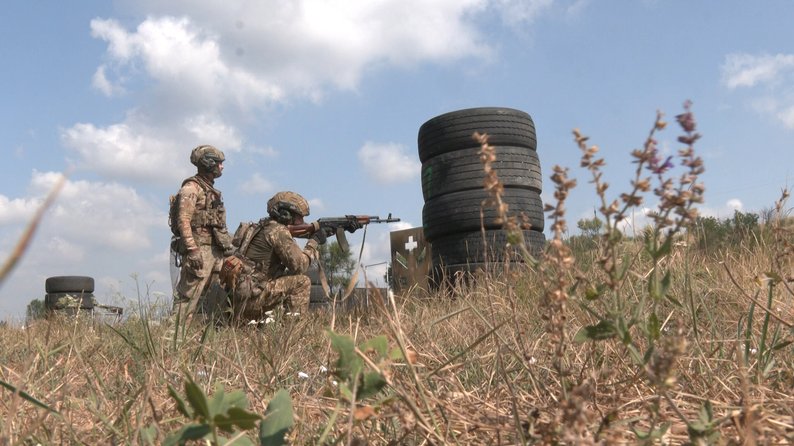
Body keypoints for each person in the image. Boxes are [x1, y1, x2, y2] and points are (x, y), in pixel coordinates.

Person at [220, 191, 330, 322]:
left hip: (237, 301)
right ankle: (294, 330)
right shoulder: (278, 232)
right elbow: (299, 266)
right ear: (286, 214)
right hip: (251, 301)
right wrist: (313, 242)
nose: (302, 221)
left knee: (285, 278)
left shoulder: (258, 227)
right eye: (299, 217)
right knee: (301, 282)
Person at [171, 144, 234, 320]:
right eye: (218, 163)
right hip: (200, 249)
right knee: (187, 300)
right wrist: (192, 250)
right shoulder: (192, 188)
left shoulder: (210, 190)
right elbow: (183, 220)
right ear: (208, 164)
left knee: (215, 300)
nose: (221, 167)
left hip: (215, 251)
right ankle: (171, 343)